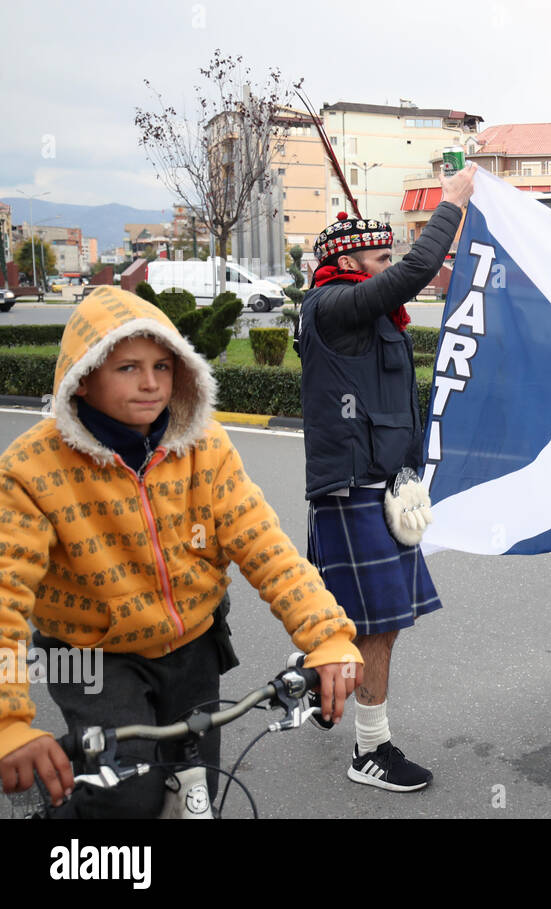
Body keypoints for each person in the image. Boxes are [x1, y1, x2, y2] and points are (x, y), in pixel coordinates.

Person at [0, 288, 362, 816]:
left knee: (197, 784)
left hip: (193, 643)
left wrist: (327, 636)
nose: (151, 384)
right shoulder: (30, 467)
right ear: (83, 375)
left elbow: (265, 544)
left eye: (163, 366)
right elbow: (5, 595)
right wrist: (9, 721)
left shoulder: (204, 444)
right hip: (89, 655)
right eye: (127, 367)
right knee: (125, 798)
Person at [299, 164, 477, 792]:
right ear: (349, 262)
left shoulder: (374, 320)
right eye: (378, 258)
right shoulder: (333, 306)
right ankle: (369, 750)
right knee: (378, 622)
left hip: (383, 485)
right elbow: (414, 273)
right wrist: (451, 206)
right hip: (354, 488)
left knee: (372, 616)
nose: (388, 267)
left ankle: (322, 669)